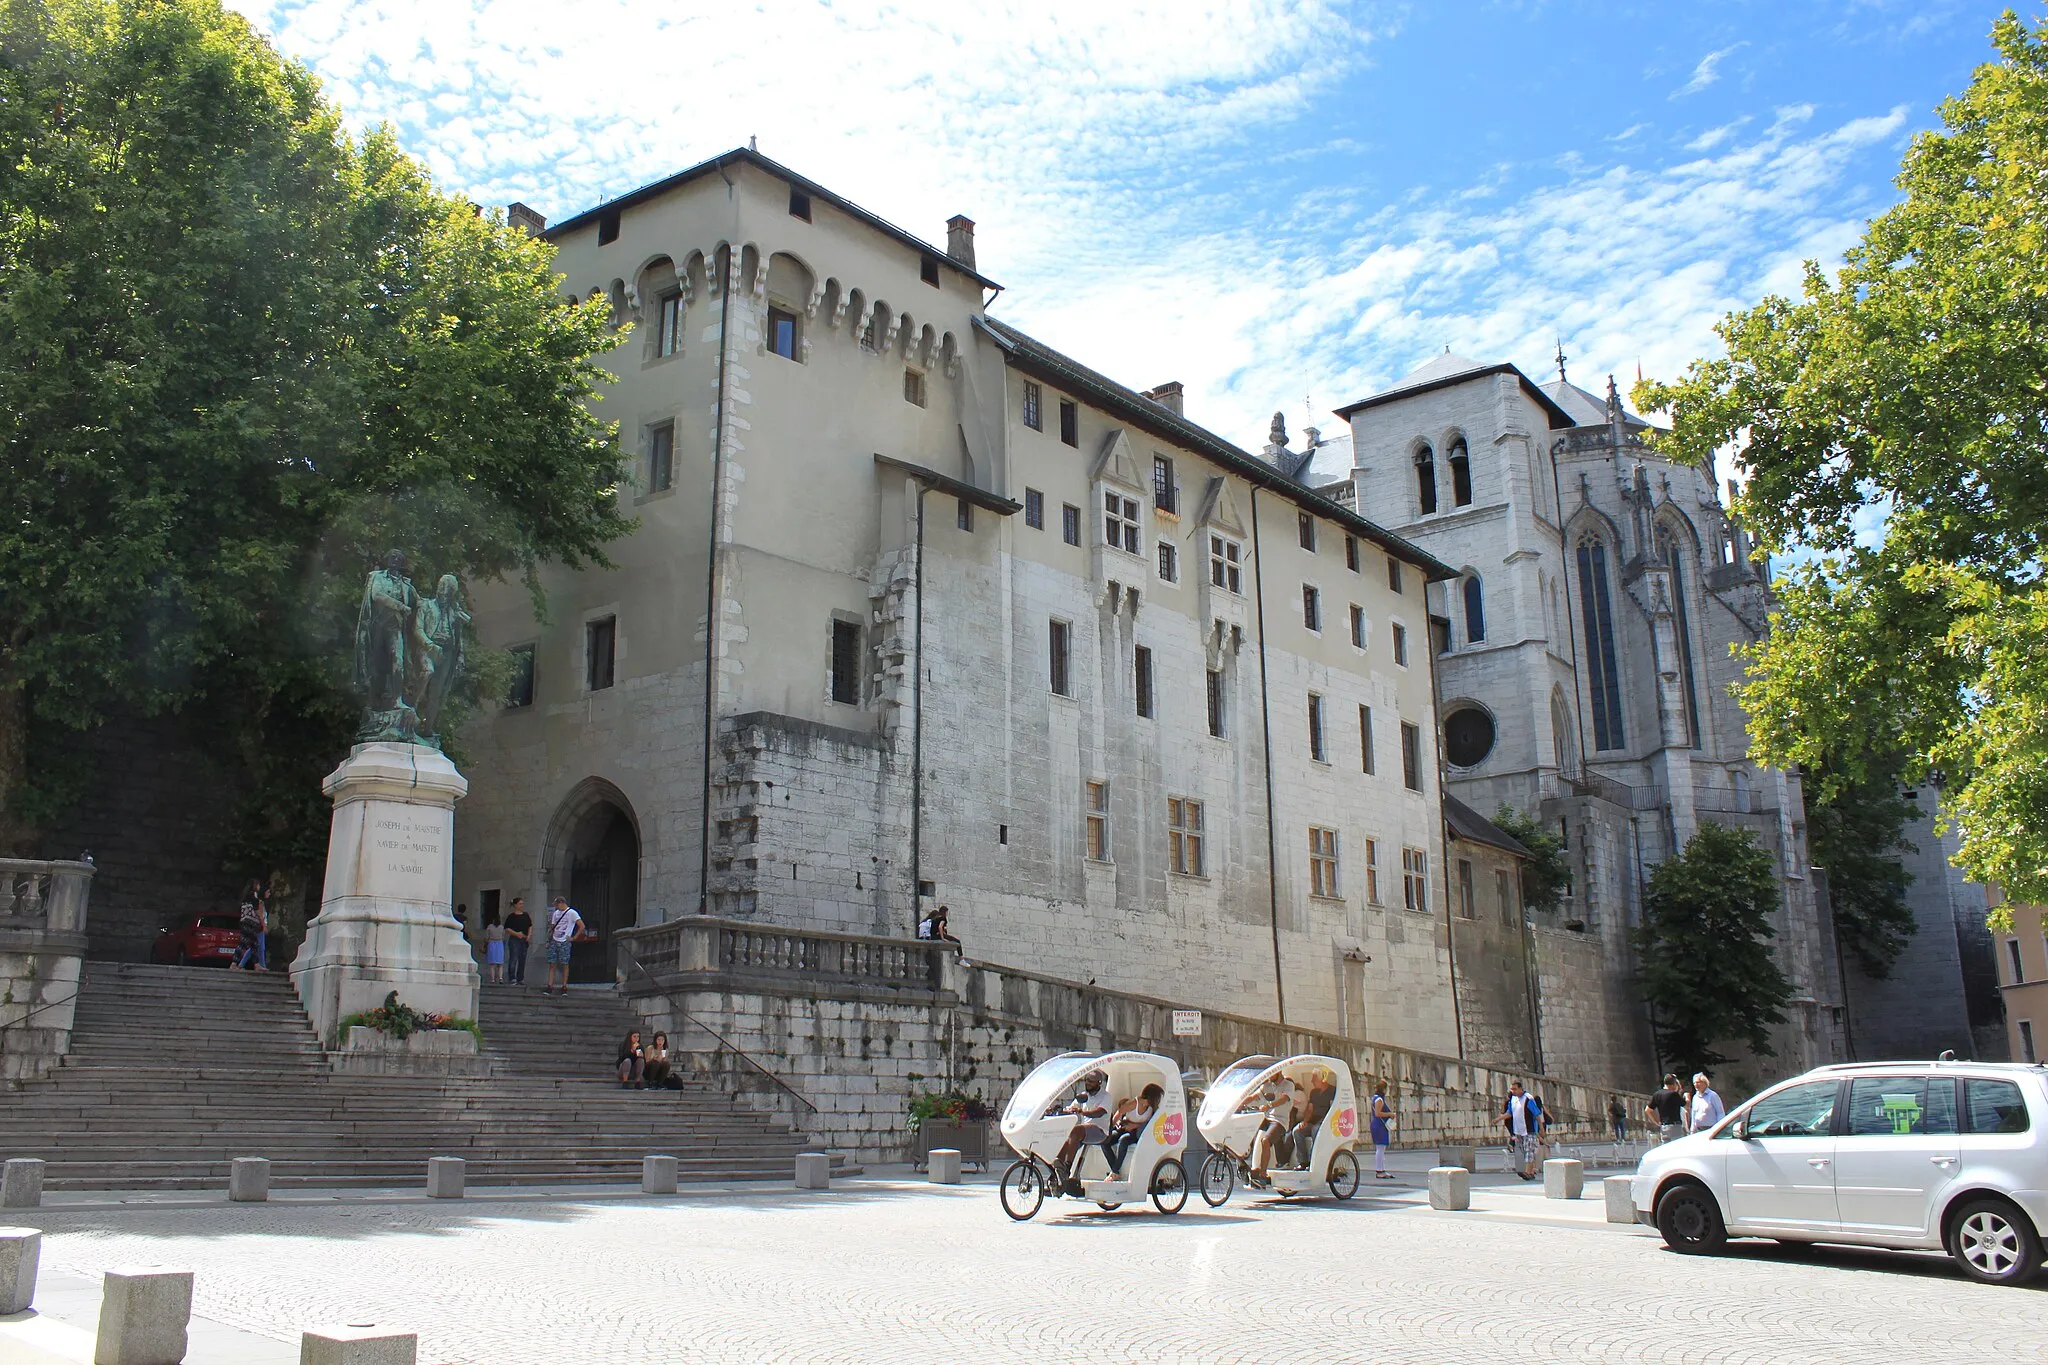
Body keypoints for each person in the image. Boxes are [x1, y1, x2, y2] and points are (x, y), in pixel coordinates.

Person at [1052, 1070, 1112, 1195]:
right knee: (1065, 1137)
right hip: (1084, 1131)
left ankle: (1067, 1168)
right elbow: (1071, 1108)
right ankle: (1057, 1175)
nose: (1088, 1083)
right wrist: (1059, 1110)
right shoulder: (1083, 1096)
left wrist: (1082, 1112)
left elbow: (1099, 1112)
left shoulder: (1106, 1097)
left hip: (1100, 1132)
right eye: (1086, 1080)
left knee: (1076, 1130)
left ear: (1099, 1083)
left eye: (1091, 1081)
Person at [1102, 1083, 1162, 1176]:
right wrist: (1109, 1130)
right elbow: (1119, 1113)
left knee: (1123, 1141)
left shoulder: (1151, 1108)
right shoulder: (1134, 1103)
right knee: (1105, 1142)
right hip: (1124, 1128)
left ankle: (1114, 1172)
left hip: (1136, 1133)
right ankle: (1116, 1170)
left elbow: (1149, 1124)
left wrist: (1135, 1125)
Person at [1251, 1074, 1301, 1184]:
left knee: (1265, 1141)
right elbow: (1253, 1097)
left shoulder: (1288, 1085)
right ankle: (1250, 1168)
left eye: (1271, 1074)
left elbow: (1283, 1099)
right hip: (1266, 1118)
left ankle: (1263, 1175)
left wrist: (1269, 1105)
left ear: (1278, 1072)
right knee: (1246, 1131)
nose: (1269, 1076)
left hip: (1280, 1121)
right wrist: (1239, 1102)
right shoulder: (1267, 1086)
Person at [1288, 1068, 1337, 1170]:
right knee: (1297, 1131)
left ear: (1322, 1079)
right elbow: (1310, 1109)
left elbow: (1333, 1109)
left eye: (1314, 1079)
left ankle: (1314, 1161)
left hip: (1326, 1121)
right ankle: (1303, 1162)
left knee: (1315, 1130)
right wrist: (1304, 1121)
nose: (1311, 1081)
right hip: (1313, 1120)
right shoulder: (1314, 1092)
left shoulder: (1333, 1090)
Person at [1502, 1080, 1546, 1180]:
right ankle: (1530, 1172)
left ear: (1521, 1089)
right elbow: (1509, 1113)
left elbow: (1537, 1114)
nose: (1513, 1091)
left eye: (1515, 1089)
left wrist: (1541, 1128)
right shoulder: (1513, 1099)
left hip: (1529, 1130)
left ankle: (1528, 1172)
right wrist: (1499, 1118)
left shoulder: (1528, 1098)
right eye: (1512, 1089)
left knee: (1529, 1151)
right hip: (1518, 1131)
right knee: (1523, 1151)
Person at [544, 897, 583, 996]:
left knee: (564, 963)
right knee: (552, 963)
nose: (556, 907)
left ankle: (564, 986)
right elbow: (553, 926)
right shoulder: (556, 913)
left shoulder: (572, 913)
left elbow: (581, 925)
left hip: (564, 941)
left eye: (557, 905)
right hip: (554, 939)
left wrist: (574, 937)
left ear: (561, 903)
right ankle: (550, 985)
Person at [1646, 1074, 1687, 1144]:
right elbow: (1686, 1105)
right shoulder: (1674, 1094)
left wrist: (1656, 1122)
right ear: (1674, 1084)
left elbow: (1648, 1110)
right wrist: (1687, 1097)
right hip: (1675, 1126)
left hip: (1664, 1126)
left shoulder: (1657, 1094)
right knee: (1677, 1148)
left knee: (1666, 1148)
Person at [1369, 1085, 1396, 1180]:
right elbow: (1378, 1113)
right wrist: (1390, 1114)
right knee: (1380, 1149)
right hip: (1379, 1125)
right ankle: (1379, 1171)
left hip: (1377, 1124)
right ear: (1383, 1089)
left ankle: (1381, 1169)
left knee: (1380, 1148)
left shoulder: (1375, 1098)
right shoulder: (1379, 1100)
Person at [504, 897, 533, 986]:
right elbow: (507, 929)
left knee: (522, 959)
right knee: (513, 958)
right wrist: (516, 934)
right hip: (514, 939)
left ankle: (520, 978)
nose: (522, 905)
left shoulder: (526, 915)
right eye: (520, 904)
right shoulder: (511, 916)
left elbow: (530, 925)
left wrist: (529, 936)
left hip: (524, 939)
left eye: (522, 903)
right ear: (515, 905)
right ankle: (512, 977)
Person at [233, 899, 263, 971]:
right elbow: (257, 911)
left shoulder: (247, 901)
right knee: (246, 943)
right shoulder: (255, 899)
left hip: (247, 922)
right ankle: (234, 963)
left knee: (253, 944)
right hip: (249, 923)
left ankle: (257, 964)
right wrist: (262, 924)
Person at [482, 904, 505, 985]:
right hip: (500, 944)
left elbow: (486, 937)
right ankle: (500, 978)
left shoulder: (489, 927)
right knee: (500, 964)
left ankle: (492, 979)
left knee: (492, 964)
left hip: (492, 943)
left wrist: (485, 944)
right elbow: (503, 936)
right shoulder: (502, 927)